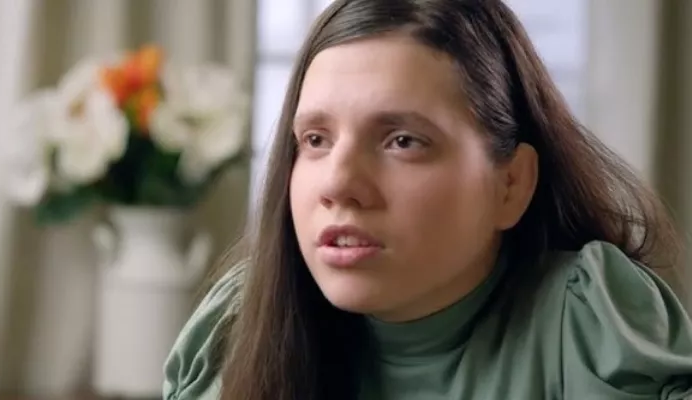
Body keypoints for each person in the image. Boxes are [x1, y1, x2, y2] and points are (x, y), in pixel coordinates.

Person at [162, 0, 692, 399]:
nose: (338, 184)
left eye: (402, 141)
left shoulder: (587, 328)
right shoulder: (235, 328)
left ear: (511, 184)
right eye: (316, 140)